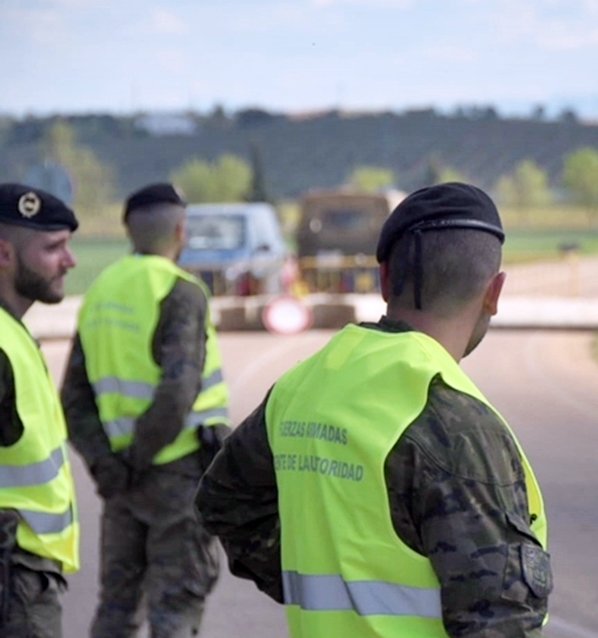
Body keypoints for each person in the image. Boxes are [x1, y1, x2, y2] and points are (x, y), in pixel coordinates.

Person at [195, 182, 553, 637]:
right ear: (494, 292)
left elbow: (223, 501)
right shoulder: (453, 418)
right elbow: (500, 622)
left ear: (383, 279)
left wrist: (312, 575)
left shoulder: (300, 386)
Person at [61, 183, 227, 638]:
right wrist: (138, 460)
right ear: (181, 229)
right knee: (174, 609)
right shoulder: (181, 290)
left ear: (127, 231)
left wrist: (107, 465)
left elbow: (73, 398)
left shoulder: (100, 291)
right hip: (176, 473)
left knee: (116, 607)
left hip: (120, 480)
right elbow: (178, 391)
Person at [0, 183, 81, 638]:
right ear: (4, 253)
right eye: (53, 248)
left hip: (23, 576)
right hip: (13, 584)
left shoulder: (12, 333)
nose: (69, 261)